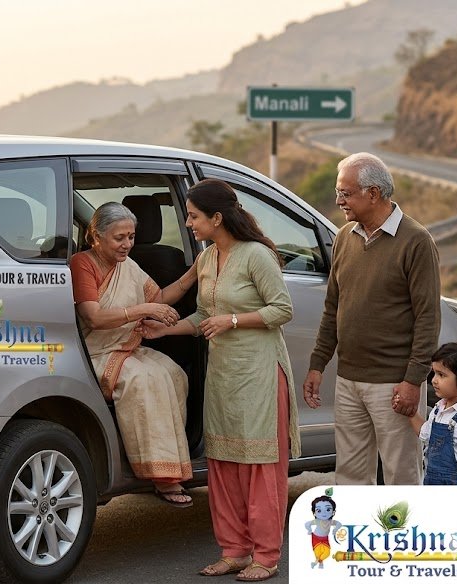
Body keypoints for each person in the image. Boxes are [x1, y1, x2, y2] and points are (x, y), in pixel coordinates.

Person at [146, 179, 300, 581]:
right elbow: (201, 317)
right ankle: (233, 551)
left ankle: (265, 556)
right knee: (225, 464)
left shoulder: (256, 256)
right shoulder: (207, 258)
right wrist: (167, 329)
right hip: (223, 374)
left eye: (194, 216)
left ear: (217, 217)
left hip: (259, 372)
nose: (188, 222)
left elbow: (282, 310)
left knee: (260, 466)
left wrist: (232, 320)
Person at [303, 152, 440, 486]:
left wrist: (412, 381)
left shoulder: (416, 241)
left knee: (400, 474)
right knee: (350, 475)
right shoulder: (343, 238)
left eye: (346, 193)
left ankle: (402, 539)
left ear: (373, 194)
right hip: (349, 381)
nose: (339, 201)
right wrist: (317, 364)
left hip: (394, 384)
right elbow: (333, 307)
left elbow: (428, 318)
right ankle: (356, 536)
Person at [69, 201, 197, 507]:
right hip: (94, 352)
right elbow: (94, 318)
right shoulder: (82, 263)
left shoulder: (128, 265)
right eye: (119, 238)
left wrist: (195, 272)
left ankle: (172, 461)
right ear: (95, 236)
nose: (127, 245)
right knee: (143, 379)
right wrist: (144, 310)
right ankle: (160, 474)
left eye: (131, 237)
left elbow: (161, 297)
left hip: (127, 346)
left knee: (174, 374)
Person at [407, 342, 457, 485]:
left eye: (441, 375)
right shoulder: (439, 410)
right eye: (434, 373)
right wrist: (410, 412)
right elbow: (426, 434)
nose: (433, 380)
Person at [305, 495, 339, 569]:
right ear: (314, 513)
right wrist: (309, 530)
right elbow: (307, 524)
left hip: (325, 539)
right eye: (319, 510)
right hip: (316, 537)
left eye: (328, 510)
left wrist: (335, 529)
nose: (324, 513)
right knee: (318, 552)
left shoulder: (330, 521)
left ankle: (316, 562)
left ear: (333, 512)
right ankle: (320, 563)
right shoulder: (317, 521)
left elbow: (339, 524)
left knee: (327, 553)